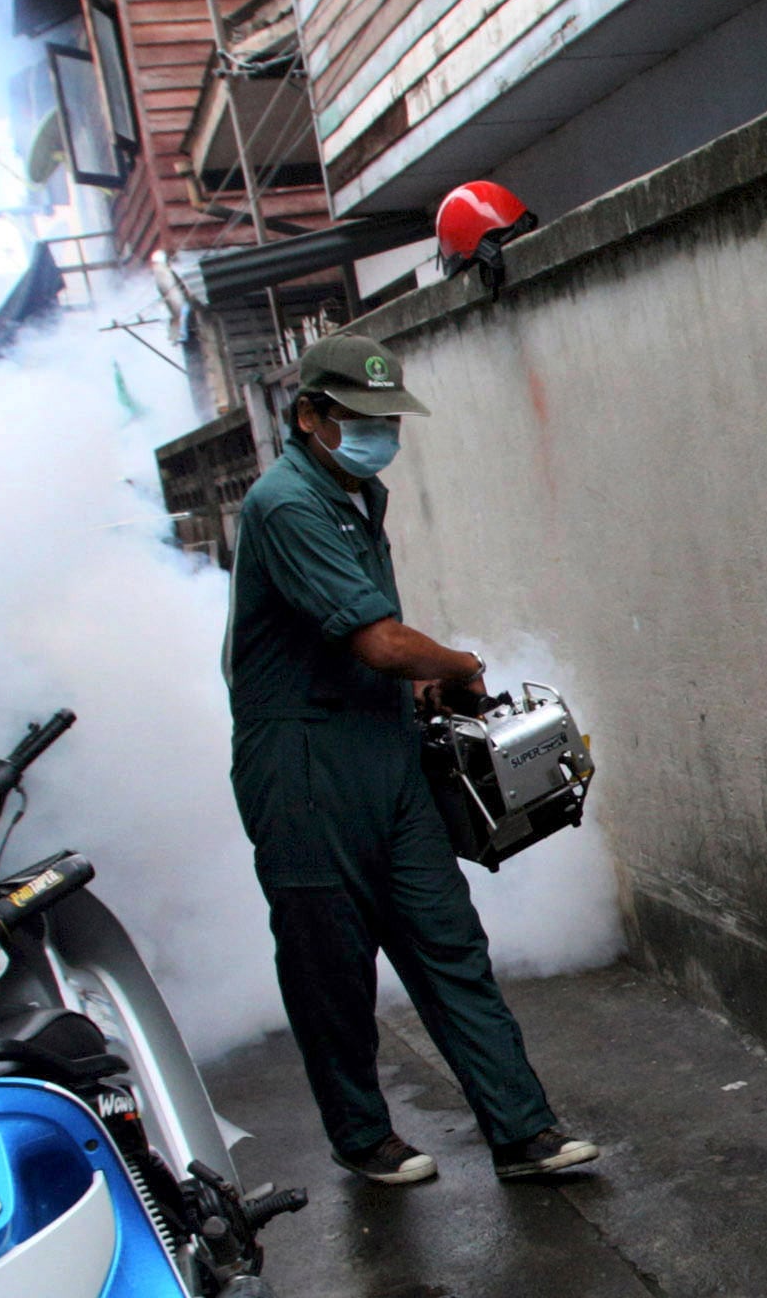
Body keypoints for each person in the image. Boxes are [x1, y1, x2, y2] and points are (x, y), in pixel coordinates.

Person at [226, 329, 597, 1188]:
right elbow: (381, 639)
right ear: (311, 416)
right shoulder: (286, 502)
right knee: (332, 966)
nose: (381, 435)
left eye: (390, 420)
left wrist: (417, 689)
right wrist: (455, 667)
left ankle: (522, 1132)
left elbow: (373, 648)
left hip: (382, 753)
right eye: (363, 419)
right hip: (304, 769)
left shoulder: (357, 494)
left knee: (448, 941)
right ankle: (362, 1137)